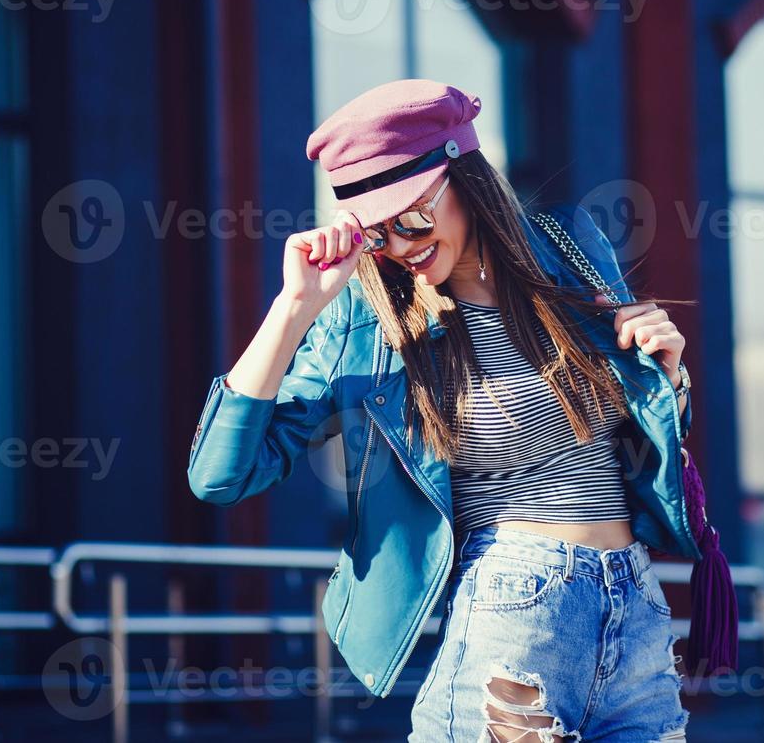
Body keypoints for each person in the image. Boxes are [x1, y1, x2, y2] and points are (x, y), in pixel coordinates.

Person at [189, 79, 695, 740]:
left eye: (413, 217)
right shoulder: (362, 318)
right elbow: (222, 476)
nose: (400, 245)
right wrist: (292, 311)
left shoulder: (568, 243)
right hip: (516, 608)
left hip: (636, 611)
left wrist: (667, 377)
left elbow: (629, 442)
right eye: (376, 234)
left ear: (464, 176)